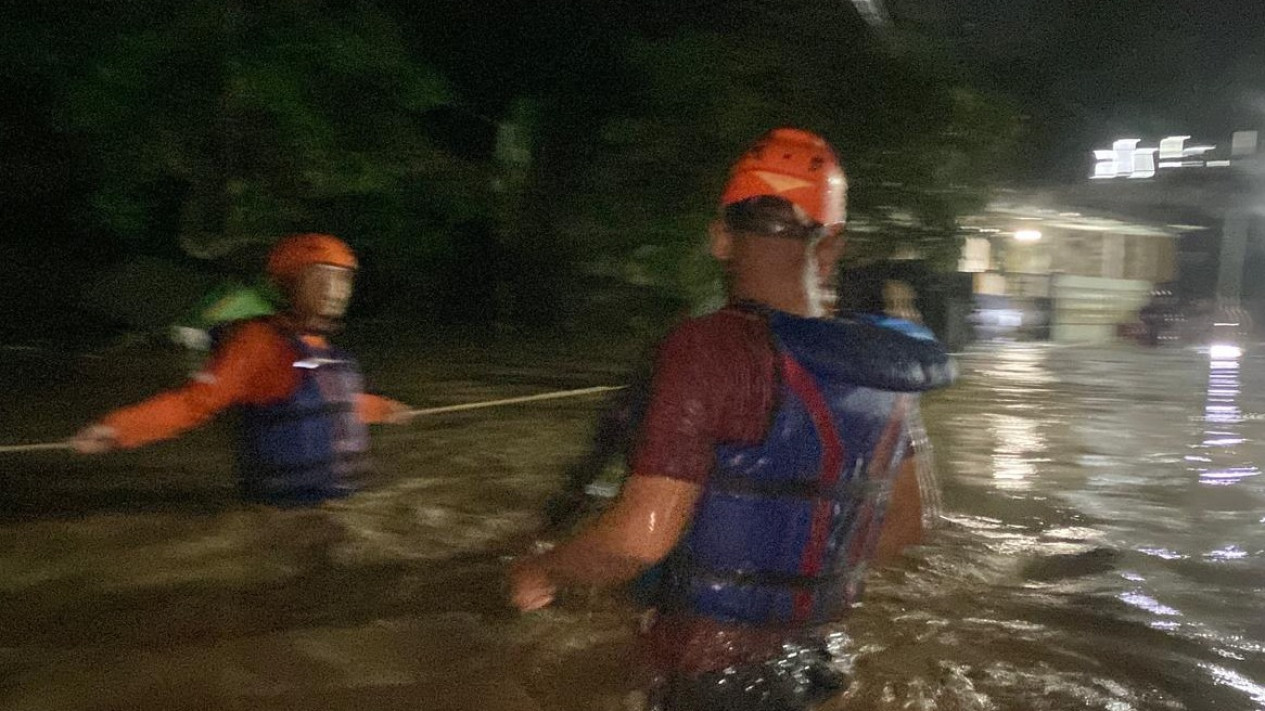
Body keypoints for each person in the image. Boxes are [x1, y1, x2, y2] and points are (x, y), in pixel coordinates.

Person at [509, 128, 956, 710]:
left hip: (711, 669)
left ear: (721, 237)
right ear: (832, 244)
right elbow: (911, 523)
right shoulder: (888, 372)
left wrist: (544, 571)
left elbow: (639, 540)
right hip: (820, 660)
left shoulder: (707, 349)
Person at [70, 233, 412, 507]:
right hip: (282, 515)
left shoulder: (320, 349)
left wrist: (383, 408)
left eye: (342, 280)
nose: (334, 292)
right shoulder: (257, 342)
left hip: (345, 502)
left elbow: (332, 404)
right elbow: (193, 404)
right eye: (319, 279)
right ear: (290, 285)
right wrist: (118, 429)